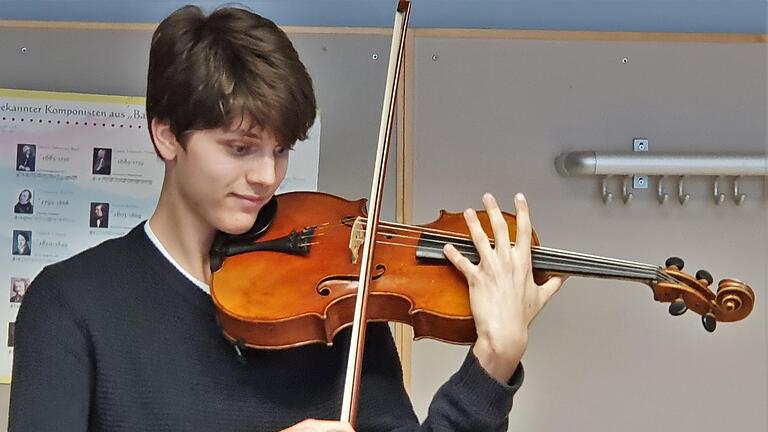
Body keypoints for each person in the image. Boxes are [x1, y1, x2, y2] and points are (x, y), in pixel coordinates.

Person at [9, 5, 565, 432]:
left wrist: (492, 362)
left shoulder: (336, 295)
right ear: (166, 136)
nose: (268, 177)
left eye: (281, 150)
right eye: (240, 148)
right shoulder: (70, 304)